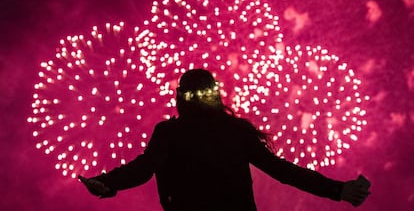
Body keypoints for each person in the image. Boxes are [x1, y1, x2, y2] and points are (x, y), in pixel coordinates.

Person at [79, 69, 370, 211]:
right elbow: (283, 172)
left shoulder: (170, 133)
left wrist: (108, 183)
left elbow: (141, 170)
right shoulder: (234, 130)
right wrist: (337, 190)